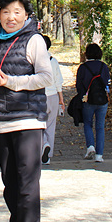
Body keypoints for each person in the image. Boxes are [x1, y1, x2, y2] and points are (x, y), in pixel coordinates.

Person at [0, 0, 52, 222]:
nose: (11, 17)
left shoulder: (34, 39)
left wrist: (13, 82)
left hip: (28, 120)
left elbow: (46, 77)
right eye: (5, 12)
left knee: (27, 182)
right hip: (3, 121)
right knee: (10, 183)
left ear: (26, 15)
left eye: (17, 12)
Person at [75, 42, 111, 163]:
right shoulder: (104, 66)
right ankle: (99, 155)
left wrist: (82, 96)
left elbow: (78, 85)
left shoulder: (83, 68)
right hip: (102, 100)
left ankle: (90, 146)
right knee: (100, 127)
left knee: (87, 123)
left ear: (87, 54)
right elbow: (108, 83)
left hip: (88, 100)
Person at [41, 36, 65, 165]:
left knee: (38, 126)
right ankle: (48, 156)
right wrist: (61, 99)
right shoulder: (53, 61)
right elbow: (58, 81)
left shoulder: (35, 61)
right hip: (53, 96)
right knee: (51, 126)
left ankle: (43, 144)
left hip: (39, 97)